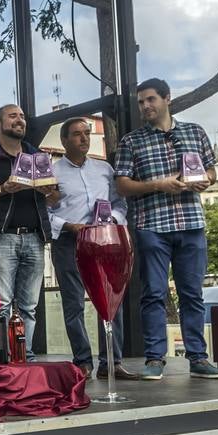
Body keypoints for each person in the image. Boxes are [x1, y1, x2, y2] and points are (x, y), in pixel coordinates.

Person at [114, 78, 218, 380]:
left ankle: (199, 359)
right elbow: (122, 185)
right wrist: (158, 185)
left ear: (167, 99)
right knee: (153, 294)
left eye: (150, 100)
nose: (145, 106)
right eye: (141, 102)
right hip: (152, 225)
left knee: (193, 294)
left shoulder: (195, 132)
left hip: (191, 223)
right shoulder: (131, 141)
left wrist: (208, 179)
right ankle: (154, 359)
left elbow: (212, 168)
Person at [48, 118, 136, 379]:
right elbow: (43, 212)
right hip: (68, 241)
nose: (84, 139)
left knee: (111, 301)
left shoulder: (105, 169)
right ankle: (83, 361)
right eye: (77, 134)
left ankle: (112, 362)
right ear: (64, 141)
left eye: (87, 134)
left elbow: (120, 203)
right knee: (73, 303)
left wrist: (113, 221)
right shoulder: (51, 172)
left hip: (104, 241)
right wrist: (68, 225)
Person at [0, 103, 60, 356]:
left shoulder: (38, 156)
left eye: (22, 117)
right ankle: (3, 356)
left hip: (35, 237)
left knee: (29, 305)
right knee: (1, 303)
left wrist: (48, 191)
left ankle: (23, 355)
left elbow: (55, 198)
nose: (19, 120)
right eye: (12, 116)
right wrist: (4, 188)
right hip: (2, 237)